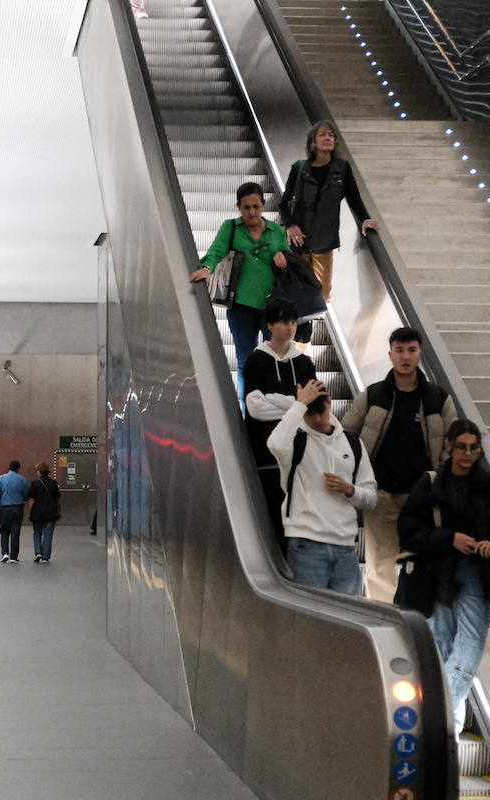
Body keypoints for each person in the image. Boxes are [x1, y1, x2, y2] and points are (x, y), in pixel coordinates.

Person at [398, 419, 490, 733]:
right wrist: (449, 538)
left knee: (471, 646)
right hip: (437, 577)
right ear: (449, 446)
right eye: (461, 447)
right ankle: (452, 729)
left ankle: (437, 718)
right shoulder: (431, 483)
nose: (467, 453)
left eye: (473, 448)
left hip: (476, 573)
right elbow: (408, 532)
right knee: (442, 647)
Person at [341, 327, 457, 600]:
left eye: (411, 350)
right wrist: (355, 475)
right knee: (380, 563)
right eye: (400, 350)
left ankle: (417, 622)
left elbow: (454, 444)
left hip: (424, 498)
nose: (405, 356)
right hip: (380, 494)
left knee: (423, 562)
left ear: (419, 353)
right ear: (390, 354)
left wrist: (440, 477)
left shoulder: (437, 399)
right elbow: (344, 436)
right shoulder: (373, 396)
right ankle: (385, 622)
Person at [267, 379, 376, 595]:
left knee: (350, 621)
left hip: (345, 547)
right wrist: (299, 405)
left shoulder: (352, 443)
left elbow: (371, 498)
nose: (317, 419)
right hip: (306, 545)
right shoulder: (295, 441)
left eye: (321, 411)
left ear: (330, 402)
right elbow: (275, 444)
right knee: (310, 623)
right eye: (310, 413)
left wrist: (350, 490)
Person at [189, 181, 291, 397]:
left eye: (256, 206)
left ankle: (272, 406)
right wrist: (207, 268)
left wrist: (285, 264)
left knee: (275, 358)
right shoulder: (232, 227)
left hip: (272, 307)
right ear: (239, 207)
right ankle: (249, 408)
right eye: (247, 207)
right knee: (246, 359)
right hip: (241, 306)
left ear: (263, 205)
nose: (252, 212)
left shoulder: (277, 232)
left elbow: (290, 264)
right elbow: (216, 251)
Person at [280, 121, 380, 304]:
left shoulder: (342, 169)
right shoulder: (300, 168)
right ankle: (302, 331)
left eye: (331, 135)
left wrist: (364, 219)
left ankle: (307, 325)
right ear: (313, 142)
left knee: (322, 295)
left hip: (324, 241)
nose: (327, 138)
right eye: (322, 135)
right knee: (296, 292)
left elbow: (354, 198)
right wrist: (290, 225)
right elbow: (284, 203)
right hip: (297, 240)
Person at [242, 300, 316, 543]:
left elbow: (313, 407)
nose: (291, 327)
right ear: (271, 325)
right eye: (285, 322)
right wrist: (296, 402)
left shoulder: (305, 363)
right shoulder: (256, 361)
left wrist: (275, 399)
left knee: (300, 515)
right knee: (270, 512)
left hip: (299, 453)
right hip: (264, 453)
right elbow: (254, 408)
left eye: (294, 322)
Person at [0, 459, 29, 563]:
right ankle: (13, 557)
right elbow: (26, 495)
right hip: (18, 508)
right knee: (15, 532)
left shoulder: (1, 478)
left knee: (4, 530)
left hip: (4, 509)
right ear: (18, 469)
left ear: (9, 468)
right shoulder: (22, 479)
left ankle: (5, 553)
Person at [27, 462, 62, 563]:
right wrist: (60, 510)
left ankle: (38, 552)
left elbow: (31, 500)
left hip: (37, 513)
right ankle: (45, 557)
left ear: (39, 472)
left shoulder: (34, 484)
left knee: (37, 533)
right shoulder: (54, 483)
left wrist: (29, 512)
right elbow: (57, 499)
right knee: (48, 535)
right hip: (51, 513)